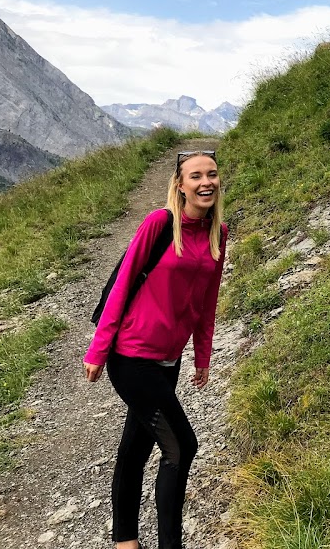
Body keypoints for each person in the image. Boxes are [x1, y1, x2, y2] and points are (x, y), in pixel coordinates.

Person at [84, 150, 228, 549]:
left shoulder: (219, 232)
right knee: (182, 445)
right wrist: (98, 350)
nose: (206, 183)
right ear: (180, 185)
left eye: (212, 175)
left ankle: (124, 541)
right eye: (196, 176)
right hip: (131, 356)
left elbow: (207, 301)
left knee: (137, 445)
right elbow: (123, 284)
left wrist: (202, 356)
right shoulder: (160, 223)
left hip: (169, 358)